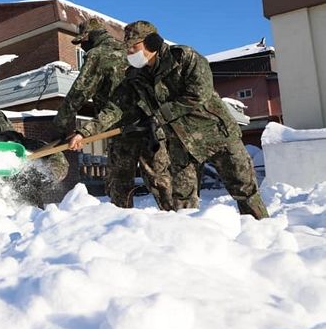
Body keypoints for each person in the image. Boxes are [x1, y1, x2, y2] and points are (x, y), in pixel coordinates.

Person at [70, 20, 268, 220]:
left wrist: (159, 114)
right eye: (127, 49)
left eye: (134, 47)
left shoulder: (185, 58)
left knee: (244, 191)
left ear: (152, 42)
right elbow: (118, 108)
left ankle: (263, 236)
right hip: (180, 146)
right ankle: (191, 245)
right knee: (182, 204)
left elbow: (199, 94)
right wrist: (84, 132)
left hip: (217, 136)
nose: (129, 53)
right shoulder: (135, 76)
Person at [55, 17, 173, 210]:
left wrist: (60, 127)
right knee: (161, 181)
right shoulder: (131, 50)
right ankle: (178, 223)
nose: (83, 48)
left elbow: (78, 94)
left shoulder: (97, 54)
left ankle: (120, 231)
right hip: (152, 126)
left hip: (122, 130)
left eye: (82, 43)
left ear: (89, 38)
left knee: (119, 186)